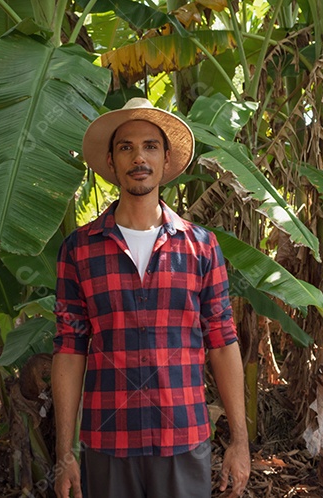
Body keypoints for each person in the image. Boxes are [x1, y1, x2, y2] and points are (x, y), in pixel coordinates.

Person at [51, 97, 251, 498]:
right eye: (126, 147)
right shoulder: (79, 249)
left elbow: (222, 342)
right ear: (111, 162)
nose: (138, 157)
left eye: (150, 146)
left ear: (165, 159)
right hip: (108, 441)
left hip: (183, 437)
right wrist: (65, 452)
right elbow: (70, 350)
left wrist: (240, 441)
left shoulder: (200, 246)